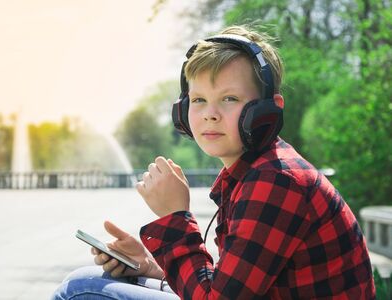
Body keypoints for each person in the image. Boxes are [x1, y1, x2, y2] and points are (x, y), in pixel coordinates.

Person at [52, 24, 375, 299]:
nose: (210, 114)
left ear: (266, 112)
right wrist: (152, 265)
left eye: (229, 99)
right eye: (199, 100)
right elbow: (227, 283)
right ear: (182, 110)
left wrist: (175, 217)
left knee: (82, 289)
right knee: (91, 280)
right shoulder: (257, 172)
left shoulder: (277, 181)